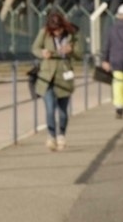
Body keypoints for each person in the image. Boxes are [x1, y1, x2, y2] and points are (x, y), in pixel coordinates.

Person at [31, 10, 84, 151]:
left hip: (64, 76)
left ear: (64, 26)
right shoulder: (44, 32)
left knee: (62, 110)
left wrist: (71, 50)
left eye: (59, 29)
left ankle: (61, 135)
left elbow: (80, 55)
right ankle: (51, 136)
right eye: (54, 30)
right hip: (47, 77)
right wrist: (42, 53)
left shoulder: (73, 34)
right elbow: (35, 48)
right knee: (50, 109)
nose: (57, 33)